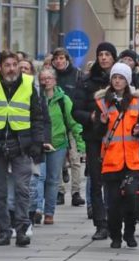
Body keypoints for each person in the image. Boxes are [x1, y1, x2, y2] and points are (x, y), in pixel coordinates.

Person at [0, 50, 45, 247]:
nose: (11, 69)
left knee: (22, 189)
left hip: (21, 143)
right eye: (7, 65)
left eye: (14, 65)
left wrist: (37, 143)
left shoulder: (28, 83)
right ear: (0, 67)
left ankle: (22, 229)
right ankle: (4, 231)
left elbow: (37, 116)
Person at [94, 63, 139, 248]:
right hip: (111, 160)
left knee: (131, 198)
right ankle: (115, 236)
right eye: (115, 77)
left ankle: (130, 232)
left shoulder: (137, 102)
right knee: (113, 203)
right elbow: (96, 133)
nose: (117, 80)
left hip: (132, 160)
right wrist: (101, 123)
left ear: (128, 80)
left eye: (121, 78)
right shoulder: (102, 102)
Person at [72, 42, 118, 241]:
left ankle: (116, 219)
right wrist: (91, 117)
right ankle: (101, 223)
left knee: (115, 181)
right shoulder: (86, 82)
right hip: (94, 138)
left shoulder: (121, 79)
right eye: (101, 54)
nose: (104, 58)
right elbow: (76, 110)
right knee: (96, 181)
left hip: (118, 139)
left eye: (108, 54)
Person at [37, 68, 84, 224]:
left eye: (49, 78)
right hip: (40, 143)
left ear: (55, 80)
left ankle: (49, 213)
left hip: (58, 144)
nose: (46, 81)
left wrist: (80, 144)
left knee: (52, 179)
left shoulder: (64, 100)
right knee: (39, 177)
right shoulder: (36, 98)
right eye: (43, 78)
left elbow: (73, 122)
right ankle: (37, 209)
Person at [51, 47, 86, 207]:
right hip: (56, 123)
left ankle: (76, 192)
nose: (59, 61)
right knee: (57, 160)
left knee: (75, 159)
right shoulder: (51, 75)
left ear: (67, 59)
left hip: (73, 121)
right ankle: (59, 191)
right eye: (56, 58)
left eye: (61, 58)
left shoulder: (77, 75)